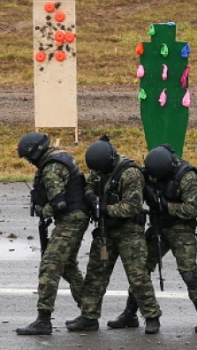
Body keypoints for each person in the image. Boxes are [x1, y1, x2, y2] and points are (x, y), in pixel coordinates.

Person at [108, 144, 197, 333]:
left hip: (181, 228)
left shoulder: (187, 177)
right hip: (158, 226)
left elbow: (194, 209)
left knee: (188, 272)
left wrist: (166, 206)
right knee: (141, 269)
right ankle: (130, 313)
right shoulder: (149, 172)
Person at [66, 135, 162, 334]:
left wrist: (105, 209)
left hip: (130, 232)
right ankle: (89, 316)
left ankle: (151, 316)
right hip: (105, 231)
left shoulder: (130, 174)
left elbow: (132, 207)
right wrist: (92, 198)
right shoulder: (99, 170)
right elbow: (90, 186)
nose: (97, 173)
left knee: (138, 276)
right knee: (96, 274)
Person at [15, 132, 89, 335]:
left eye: (29, 158)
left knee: (50, 265)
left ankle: (43, 319)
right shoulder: (61, 156)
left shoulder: (50, 169)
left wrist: (43, 211)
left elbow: (59, 204)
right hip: (78, 217)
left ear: (36, 152)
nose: (30, 162)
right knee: (68, 267)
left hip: (71, 219)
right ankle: (89, 313)